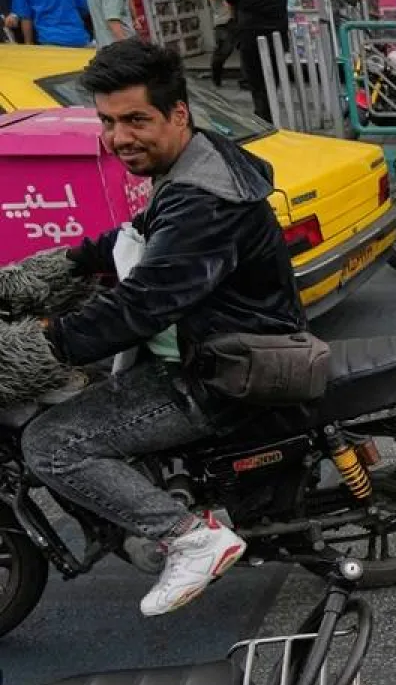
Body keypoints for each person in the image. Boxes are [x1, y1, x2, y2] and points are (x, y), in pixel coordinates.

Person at [22, 38, 304, 617]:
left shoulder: (204, 198)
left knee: (49, 443)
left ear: (179, 113)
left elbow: (144, 304)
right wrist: (56, 267)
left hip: (221, 371)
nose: (119, 137)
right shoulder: (191, 161)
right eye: (107, 122)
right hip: (207, 341)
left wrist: (42, 344)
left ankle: (190, 537)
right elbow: (138, 238)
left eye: (135, 120)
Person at [224, 0, 288, 122]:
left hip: (251, 31)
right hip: (277, 29)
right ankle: (268, 109)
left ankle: (263, 116)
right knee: (272, 76)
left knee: (256, 80)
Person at [9, 0, 89, 47]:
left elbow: (25, 17)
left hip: (49, 40)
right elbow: (83, 6)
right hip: (79, 38)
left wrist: (28, 44)